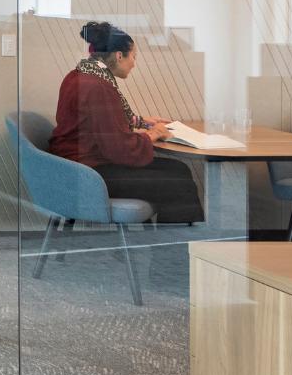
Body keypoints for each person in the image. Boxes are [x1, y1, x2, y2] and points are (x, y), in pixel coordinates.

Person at [48, 21, 203, 223]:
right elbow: (119, 148)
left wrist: (140, 121)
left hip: (76, 167)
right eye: (133, 57)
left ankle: (168, 247)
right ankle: (178, 251)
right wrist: (153, 134)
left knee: (179, 169)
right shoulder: (99, 88)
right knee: (179, 184)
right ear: (119, 56)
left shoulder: (80, 74)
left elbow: (99, 122)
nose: (134, 63)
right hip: (90, 174)